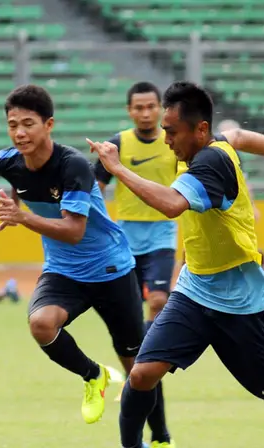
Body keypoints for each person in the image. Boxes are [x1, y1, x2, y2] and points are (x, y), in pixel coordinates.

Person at [89, 81, 264, 448]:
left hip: (242, 303)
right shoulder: (206, 143)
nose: (165, 139)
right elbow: (238, 135)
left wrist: (118, 168)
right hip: (195, 291)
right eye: (164, 130)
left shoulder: (212, 161)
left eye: (171, 132)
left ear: (200, 129)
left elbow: (172, 204)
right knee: (142, 374)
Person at [0, 84, 173, 448]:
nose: (20, 133)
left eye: (28, 124)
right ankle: (93, 376)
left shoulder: (72, 165)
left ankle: (161, 438)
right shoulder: (7, 161)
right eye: (13, 125)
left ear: (49, 125)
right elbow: (19, 186)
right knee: (41, 324)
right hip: (63, 270)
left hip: (111, 270)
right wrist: (12, 207)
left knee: (139, 369)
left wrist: (22, 218)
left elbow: (74, 230)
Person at [94, 82, 177, 330]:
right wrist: (100, 223)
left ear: (161, 108)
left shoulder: (172, 142)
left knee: (158, 299)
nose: (145, 113)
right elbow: (96, 185)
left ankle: (148, 350)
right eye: (139, 108)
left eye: (151, 107)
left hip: (163, 231)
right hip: (126, 234)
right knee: (127, 303)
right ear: (129, 110)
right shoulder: (117, 143)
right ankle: (138, 350)